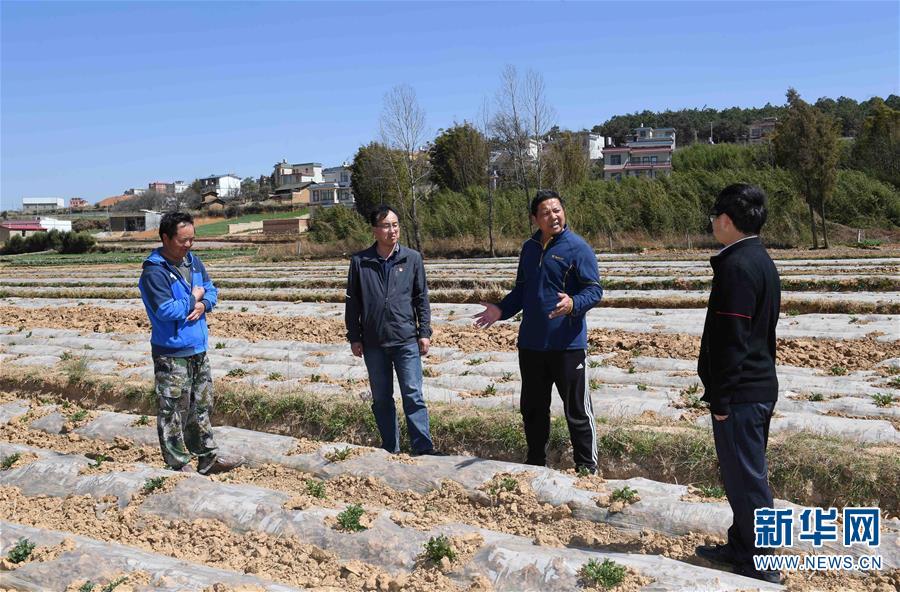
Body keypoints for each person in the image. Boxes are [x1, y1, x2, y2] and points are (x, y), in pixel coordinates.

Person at [473, 190, 603, 474]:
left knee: (577, 411)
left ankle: (587, 468)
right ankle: (535, 463)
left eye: (557, 210)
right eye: (545, 212)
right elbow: (521, 290)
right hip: (531, 345)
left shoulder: (578, 248)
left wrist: (573, 303)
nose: (553, 216)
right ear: (535, 218)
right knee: (533, 410)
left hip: (567, 345)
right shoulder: (529, 248)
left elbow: (594, 290)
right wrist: (500, 310)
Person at [694, 184, 782, 584]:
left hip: (743, 394)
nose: (713, 223)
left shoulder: (737, 267)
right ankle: (741, 545)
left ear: (726, 221)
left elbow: (733, 339)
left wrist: (722, 398)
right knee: (742, 478)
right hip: (757, 387)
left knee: (748, 482)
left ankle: (764, 561)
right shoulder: (759, 258)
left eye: (714, 217)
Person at [138, 211, 244, 475]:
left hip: (197, 347)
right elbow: (165, 311)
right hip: (171, 351)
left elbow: (211, 289)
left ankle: (207, 457)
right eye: (183, 240)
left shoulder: (194, 262)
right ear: (165, 238)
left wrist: (204, 302)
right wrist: (192, 298)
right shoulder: (154, 272)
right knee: (172, 408)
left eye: (192, 240)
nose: (188, 245)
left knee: (201, 405)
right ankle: (177, 462)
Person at [344, 205, 441, 455]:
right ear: (375, 230)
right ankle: (390, 448)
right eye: (386, 226)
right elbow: (353, 301)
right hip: (374, 342)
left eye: (395, 225)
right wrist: (354, 336)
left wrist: (425, 332)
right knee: (382, 399)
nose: (392, 230)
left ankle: (422, 447)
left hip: (406, 338)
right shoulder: (360, 262)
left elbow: (422, 298)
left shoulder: (412, 258)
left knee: (413, 394)